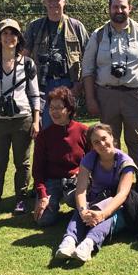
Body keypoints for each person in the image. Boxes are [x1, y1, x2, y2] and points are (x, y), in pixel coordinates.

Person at [81, 0, 138, 176]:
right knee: (108, 141)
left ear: (129, 8)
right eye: (115, 7)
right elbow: (87, 69)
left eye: (123, 7)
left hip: (136, 96)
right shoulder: (98, 35)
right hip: (106, 95)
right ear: (109, 9)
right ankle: (111, 180)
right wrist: (91, 99)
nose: (119, 10)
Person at [0, 19, 41, 219]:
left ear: (19, 38)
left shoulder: (27, 63)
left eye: (13, 33)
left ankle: (21, 199)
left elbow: (35, 94)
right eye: (5, 33)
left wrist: (36, 120)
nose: (9, 37)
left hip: (22, 119)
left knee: (22, 163)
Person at [54, 123, 136, 263]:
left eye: (104, 138)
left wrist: (103, 214)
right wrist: (83, 211)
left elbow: (122, 194)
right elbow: (81, 190)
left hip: (119, 206)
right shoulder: (90, 158)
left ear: (112, 137)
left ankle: (88, 244)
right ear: (92, 145)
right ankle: (69, 240)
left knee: (108, 218)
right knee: (82, 209)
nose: (102, 144)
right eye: (96, 142)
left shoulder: (125, 162)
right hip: (95, 201)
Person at [23, 0, 90, 128]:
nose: (53, 3)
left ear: (64, 1)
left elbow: (89, 59)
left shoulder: (76, 26)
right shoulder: (35, 27)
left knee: (68, 128)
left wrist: (79, 85)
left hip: (69, 84)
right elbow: (24, 57)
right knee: (47, 128)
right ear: (44, 2)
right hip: (43, 85)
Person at [32, 86, 89, 227]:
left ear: (69, 109)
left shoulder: (83, 131)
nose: (54, 112)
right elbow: (37, 170)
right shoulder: (44, 136)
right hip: (52, 181)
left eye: (59, 108)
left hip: (75, 180)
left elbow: (93, 160)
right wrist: (42, 195)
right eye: (51, 108)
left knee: (72, 199)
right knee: (42, 220)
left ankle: (79, 209)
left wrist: (82, 174)